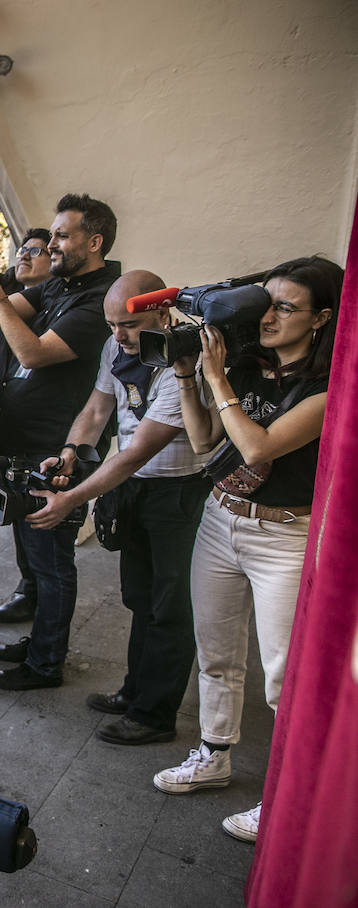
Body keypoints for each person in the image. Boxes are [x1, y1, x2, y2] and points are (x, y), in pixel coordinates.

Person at [152, 255, 342, 844]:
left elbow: (258, 449)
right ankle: (213, 754)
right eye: (267, 303)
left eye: (286, 308)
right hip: (221, 519)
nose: (268, 317)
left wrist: (215, 378)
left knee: (282, 676)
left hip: (283, 537)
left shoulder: (326, 387)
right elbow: (210, 441)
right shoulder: (250, 367)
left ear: (321, 319)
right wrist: (188, 374)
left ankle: (289, 798)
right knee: (216, 652)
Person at [21, 270, 213, 745]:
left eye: (127, 325)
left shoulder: (181, 362)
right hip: (135, 490)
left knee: (170, 608)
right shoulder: (115, 348)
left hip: (177, 492)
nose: (118, 336)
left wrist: (71, 498)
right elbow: (95, 411)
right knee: (139, 597)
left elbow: (135, 452)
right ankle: (134, 692)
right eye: (110, 325)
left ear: (161, 313)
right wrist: (70, 452)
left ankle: (155, 715)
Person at [0, 193, 118, 690]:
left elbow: (35, 351)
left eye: (63, 236)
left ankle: (47, 663)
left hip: (56, 449)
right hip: (25, 444)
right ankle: (40, 641)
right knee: (33, 557)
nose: (52, 243)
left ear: (95, 241)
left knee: (51, 562)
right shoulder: (60, 286)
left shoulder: (100, 299)